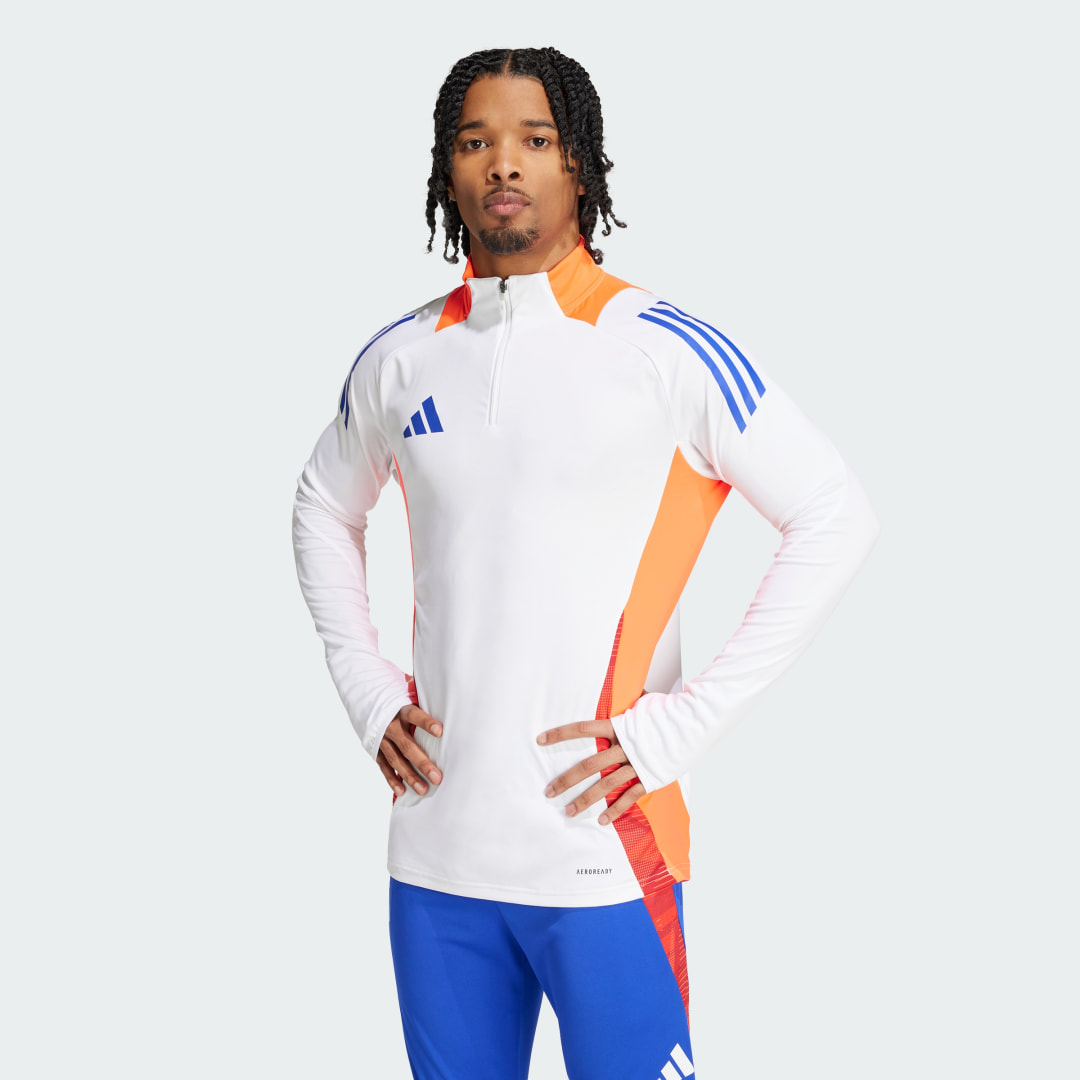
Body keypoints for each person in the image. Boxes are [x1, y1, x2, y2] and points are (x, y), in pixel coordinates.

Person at [292, 46, 878, 1080]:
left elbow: (834, 514)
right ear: (446, 168)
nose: (502, 163)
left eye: (534, 138)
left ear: (580, 164)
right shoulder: (401, 358)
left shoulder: (663, 348)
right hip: (435, 863)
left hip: (606, 856)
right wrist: (367, 692)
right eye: (475, 141)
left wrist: (677, 728)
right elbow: (320, 505)